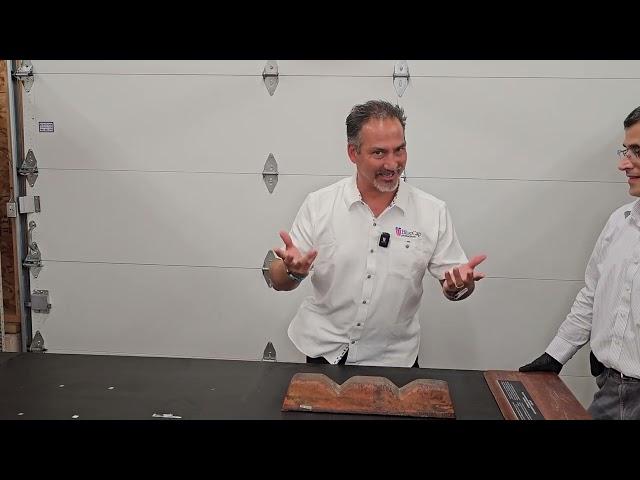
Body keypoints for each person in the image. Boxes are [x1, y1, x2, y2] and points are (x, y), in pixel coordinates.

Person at [268, 100, 486, 367]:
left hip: (395, 361)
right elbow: (279, 281)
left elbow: (456, 287)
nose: (392, 164)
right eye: (379, 153)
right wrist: (293, 271)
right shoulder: (320, 205)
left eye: (400, 150)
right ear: (353, 152)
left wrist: (460, 288)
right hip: (323, 354)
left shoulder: (433, 212)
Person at [520, 105, 640, 420]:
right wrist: (555, 355)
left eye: (637, 152)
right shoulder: (620, 223)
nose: (623, 164)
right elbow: (592, 295)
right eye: (625, 150)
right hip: (611, 389)